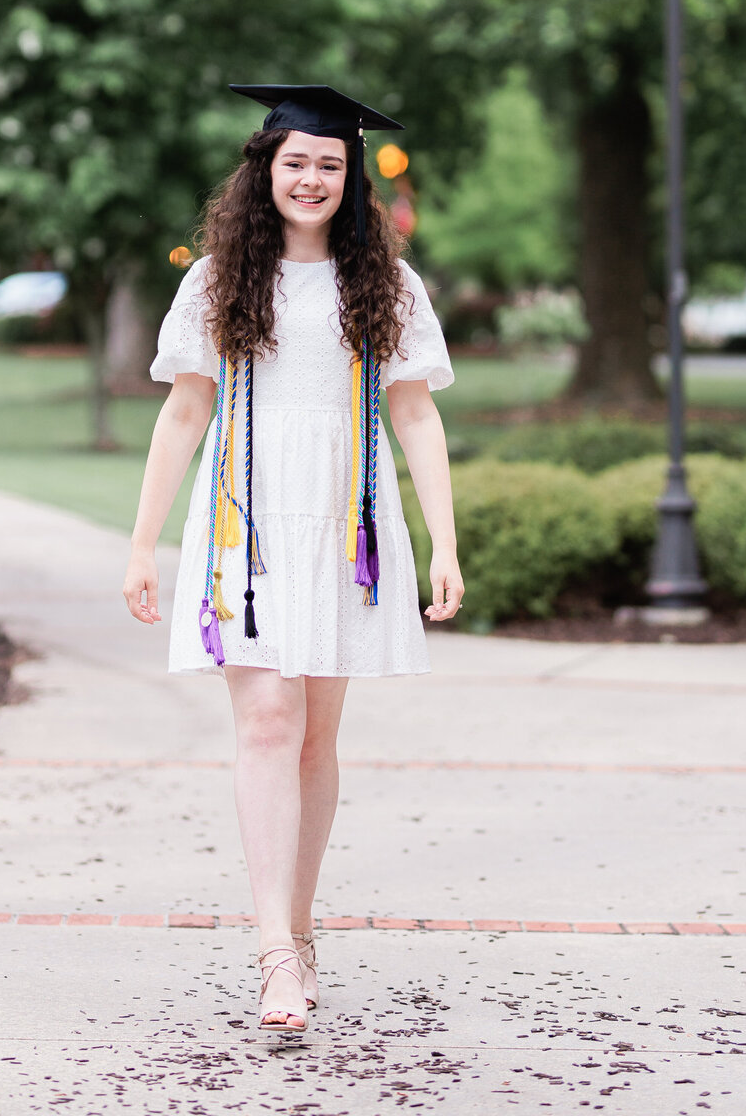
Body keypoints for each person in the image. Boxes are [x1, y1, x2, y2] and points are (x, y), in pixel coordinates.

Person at [123, 85, 463, 1033]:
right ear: (263, 170)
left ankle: (300, 930)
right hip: (247, 520)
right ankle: (275, 949)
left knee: (315, 733)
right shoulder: (215, 281)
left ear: (349, 179)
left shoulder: (385, 284)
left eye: (329, 164)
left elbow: (418, 413)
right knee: (267, 719)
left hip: (345, 521)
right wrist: (143, 543)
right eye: (294, 162)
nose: (310, 178)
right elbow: (185, 411)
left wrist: (443, 538)